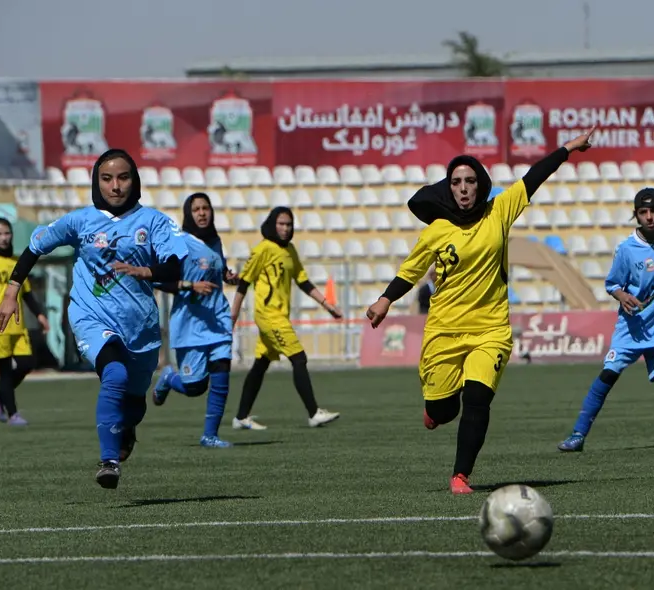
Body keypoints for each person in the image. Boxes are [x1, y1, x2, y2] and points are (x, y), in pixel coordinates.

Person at [366, 127, 597, 494]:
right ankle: (435, 412)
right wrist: (385, 299)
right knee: (444, 411)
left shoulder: (499, 212)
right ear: (448, 186)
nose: (463, 188)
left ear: (480, 184)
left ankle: (461, 475)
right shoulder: (436, 231)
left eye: (470, 180)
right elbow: (409, 272)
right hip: (444, 330)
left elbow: (533, 178)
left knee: (477, 397)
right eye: (456, 181)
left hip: (490, 331)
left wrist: (568, 148)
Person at [0, 148, 189, 490]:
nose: (115, 186)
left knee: (134, 405)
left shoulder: (154, 221)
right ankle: (108, 462)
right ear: (97, 181)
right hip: (91, 316)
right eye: (107, 178)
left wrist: (147, 270)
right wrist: (12, 291)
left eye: (123, 177)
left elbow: (176, 263)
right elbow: (35, 248)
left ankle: (125, 428)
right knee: (114, 373)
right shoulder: (80, 220)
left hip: (140, 328)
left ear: (134, 181)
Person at [558, 187, 654, 453]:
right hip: (632, 326)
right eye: (643, 212)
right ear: (636, 215)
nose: (649, 217)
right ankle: (578, 434)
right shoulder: (627, 249)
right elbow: (613, 284)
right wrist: (621, 295)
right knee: (608, 375)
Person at [229, 206, 342, 431]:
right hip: (268, 316)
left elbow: (303, 281)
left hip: (280, 316)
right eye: (281, 223)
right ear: (272, 224)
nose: (285, 228)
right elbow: (244, 283)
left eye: (289, 224)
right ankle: (314, 413)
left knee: (261, 364)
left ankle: (241, 417)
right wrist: (233, 315)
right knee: (298, 358)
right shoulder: (263, 249)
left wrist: (328, 305)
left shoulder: (290, 250)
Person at [152, 193, 240, 448]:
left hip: (218, 319)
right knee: (194, 387)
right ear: (188, 214)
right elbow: (159, 279)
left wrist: (229, 276)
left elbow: (219, 270)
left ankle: (210, 435)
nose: (202, 213)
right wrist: (190, 285)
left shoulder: (215, 241)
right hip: (189, 324)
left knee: (222, 372)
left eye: (206, 208)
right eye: (196, 209)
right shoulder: (179, 244)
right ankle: (169, 377)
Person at [0, 218, 50, 425]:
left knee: (27, 363)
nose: (3, 238)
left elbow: (26, 293)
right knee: (5, 370)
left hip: (17, 323)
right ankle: (13, 414)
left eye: (6, 233)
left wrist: (39, 314)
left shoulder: (16, 260)